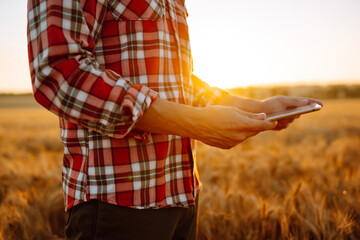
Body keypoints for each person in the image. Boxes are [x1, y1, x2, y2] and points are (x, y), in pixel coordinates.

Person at [27, 0, 322, 239]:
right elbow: (58, 70)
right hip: (117, 205)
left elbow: (175, 81)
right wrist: (197, 124)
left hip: (183, 196)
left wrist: (255, 107)